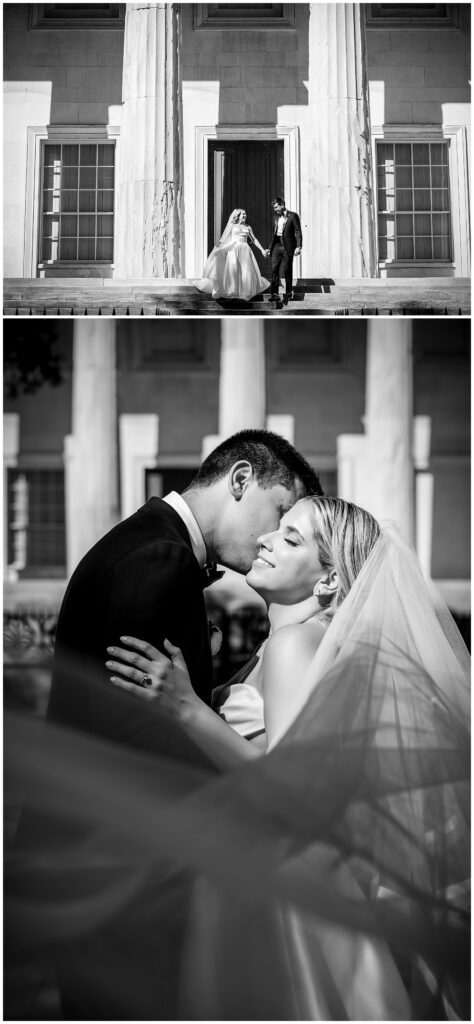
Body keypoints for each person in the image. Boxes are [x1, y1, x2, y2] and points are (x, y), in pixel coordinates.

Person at [105, 496, 470, 1019]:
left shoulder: (294, 646)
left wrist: (186, 707)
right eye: (278, 530)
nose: (267, 540)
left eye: (292, 539)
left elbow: (291, 791)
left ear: (327, 583)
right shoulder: (295, 646)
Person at [195, 208, 270, 301]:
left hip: (245, 250)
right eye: (243, 214)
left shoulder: (248, 227)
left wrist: (262, 250)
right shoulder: (232, 226)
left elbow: (254, 239)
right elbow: (224, 238)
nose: (245, 216)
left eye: (245, 214)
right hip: (234, 250)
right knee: (233, 270)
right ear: (237, 216)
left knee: (246, 271)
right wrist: (219, 247)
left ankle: (244, 293)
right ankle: (232, 291)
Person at [268, 195, 302, 305]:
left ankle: (288, 292)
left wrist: (298, 246)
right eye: (274, 208)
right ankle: (274, 294)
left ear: (282, 205)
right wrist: (270, 248)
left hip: (288, 246)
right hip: (277, 246)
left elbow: (298, 231)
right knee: (274, 269)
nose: (275, 209)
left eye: (276, 207)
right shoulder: (275, 218)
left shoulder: (293, 216)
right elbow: (274, 235)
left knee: (287, 270)